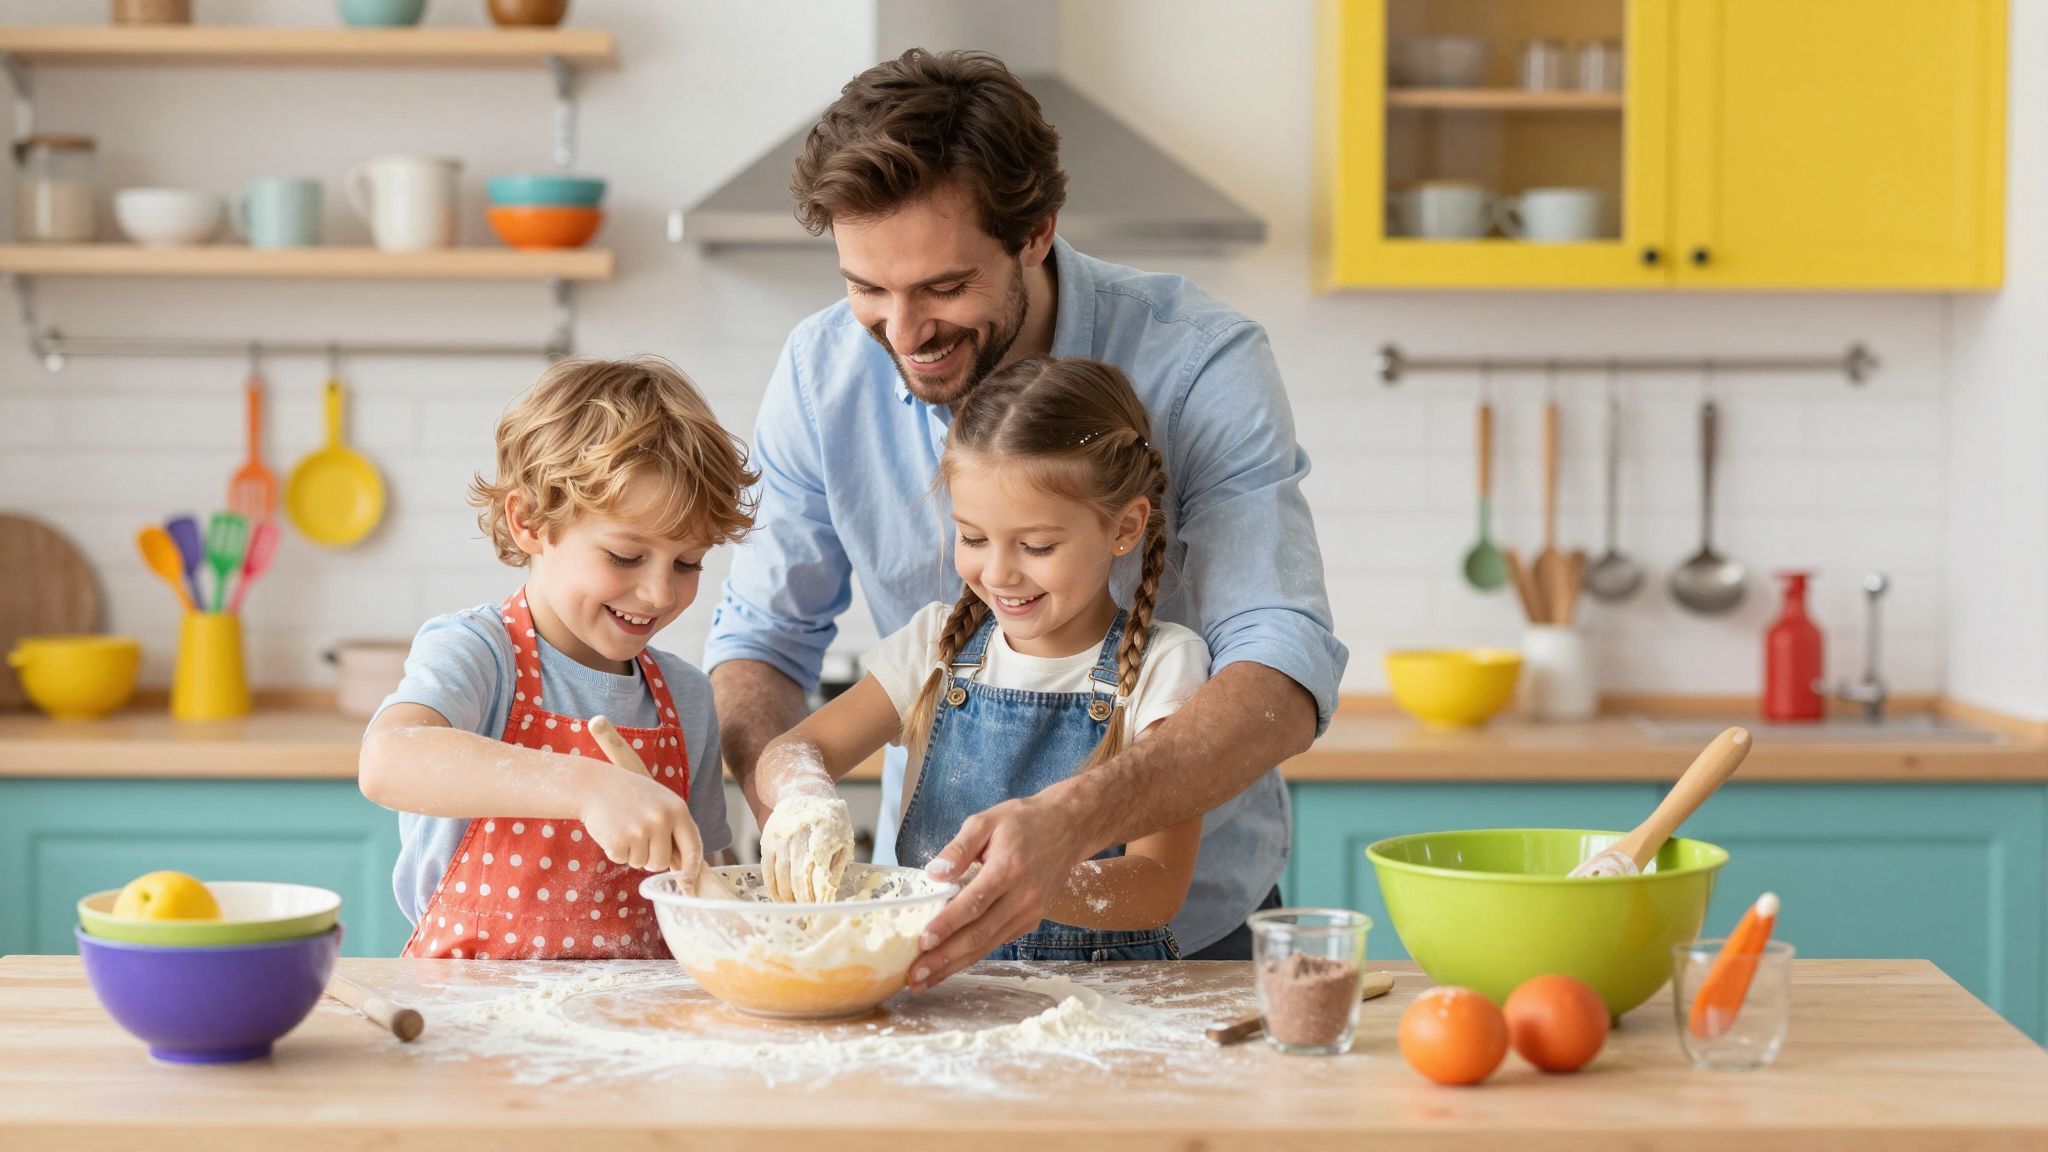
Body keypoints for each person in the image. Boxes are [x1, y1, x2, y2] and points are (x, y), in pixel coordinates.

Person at [706, 49, 1347, 989]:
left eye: (943, 288)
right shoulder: (819, 375)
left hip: (1189, 950)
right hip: (928, 949)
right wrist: (792, 804)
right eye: (867, 289)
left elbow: (1282, 656)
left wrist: (1075, 829)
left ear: (1038, 232)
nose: (903, 334)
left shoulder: (1202, 365)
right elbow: (760, 642)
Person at [751, 356, 1210, 961]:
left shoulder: (1162, 667)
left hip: (1105, 1008)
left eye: (1037, 545)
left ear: (1124, 527)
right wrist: (805, 795)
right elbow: (788, 753)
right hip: (939, 991)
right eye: (973, 538)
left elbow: (1156, 887)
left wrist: (1024, 880)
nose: (997, 573)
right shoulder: (934, 649)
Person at [359, 356, 755, 959]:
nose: (660, 593)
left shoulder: (687, 697)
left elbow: (703, 876)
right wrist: (586, 787)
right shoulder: (481, 654)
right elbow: (388, 760)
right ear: (530, 522)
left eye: (688, 563)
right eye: (625, 556)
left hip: (634, 1030)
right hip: (468, 1024)